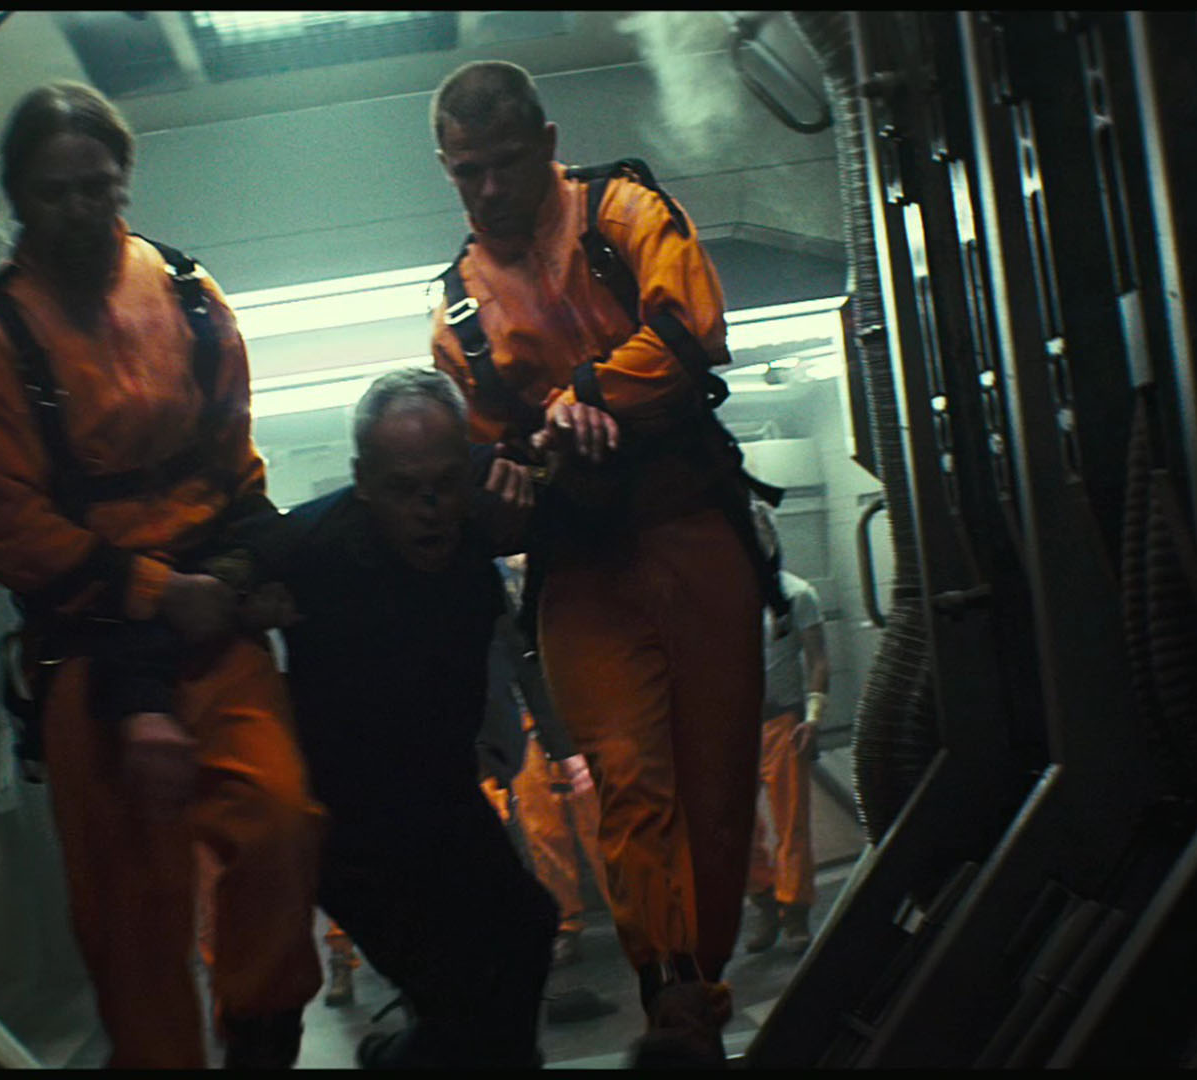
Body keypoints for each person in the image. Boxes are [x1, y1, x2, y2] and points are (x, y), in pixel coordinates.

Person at [0, 82, 322, 1069]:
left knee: (278, 823)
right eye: (54, 191)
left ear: (125, 183)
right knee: (132, 913)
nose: (79, 209)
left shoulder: (189, 296)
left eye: (97, 186)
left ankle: (263, 1038)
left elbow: (235, 467)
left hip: (215, 630)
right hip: (90, 648)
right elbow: (9, 528)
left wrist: (243, 571)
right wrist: (156, 595)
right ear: (17, 196)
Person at [426, 60, 785, 1068]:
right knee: (627, 780)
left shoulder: (624, 214)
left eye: (505, 163)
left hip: (693, 528)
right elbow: (487, 461)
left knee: (718, 784)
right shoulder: (459, 314)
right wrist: (512, 479)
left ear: (547, 145)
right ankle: (670, 992)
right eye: (465, 172)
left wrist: (582, 396)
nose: (488, 189)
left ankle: (701, 983)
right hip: (581, 565)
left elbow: (692, 328)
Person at [233, 369, 559, 1069]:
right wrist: (238, 596)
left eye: (444, 483)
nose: (429, 509)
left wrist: (526, 488)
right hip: (349, 831)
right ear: (364, 482)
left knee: (529, 930)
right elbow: (223, 563)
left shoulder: (482, 505)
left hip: (442, 796)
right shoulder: (315, 544)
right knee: (459, 999)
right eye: (403, 489)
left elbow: (559, 474)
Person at [479, 556, 611, 968]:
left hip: (578, 705)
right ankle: (566, 923)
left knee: (600, 822)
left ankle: (636, 912)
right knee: (543, 831)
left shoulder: (561, 562)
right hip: (523, 718)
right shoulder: (490, 577)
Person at [744, 501, 830, 956]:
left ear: (772, 538)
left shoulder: (797, 594)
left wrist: (813, 717)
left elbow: (818, 660)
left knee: (791, 823)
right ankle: (764, 903)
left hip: (782, 720)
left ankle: (795, 913)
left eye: (758, 532)